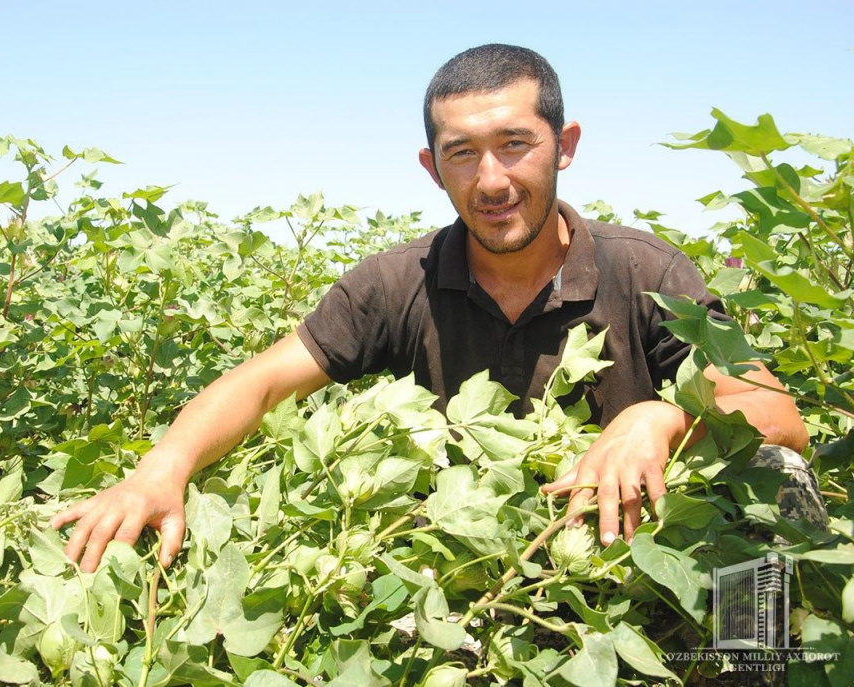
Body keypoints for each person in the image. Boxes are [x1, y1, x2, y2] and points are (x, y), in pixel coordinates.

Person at [52, 44, 812, 573]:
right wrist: (161, 467)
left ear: (565, 144)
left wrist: (659, 417)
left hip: (626, 543)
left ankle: (757, 669)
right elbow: (264, 381)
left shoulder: (647, 270)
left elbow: (780, 416)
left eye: (516, 143)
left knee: (774, 476)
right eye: (461, 152)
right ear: (430, 166)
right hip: (467, 562)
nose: (491, 179)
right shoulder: (394, 281)